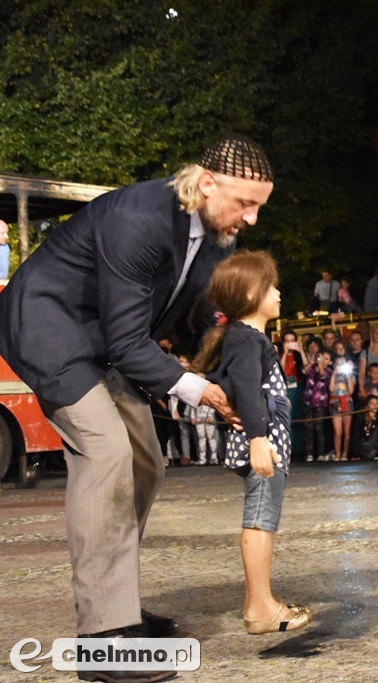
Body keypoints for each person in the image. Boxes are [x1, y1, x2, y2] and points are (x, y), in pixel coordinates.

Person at [0, 136, 271, 672]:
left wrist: (227, 373)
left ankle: (117, 604)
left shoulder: (213, 236)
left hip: (102, 336)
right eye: (246, 203)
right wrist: (195, 389)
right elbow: (127, 341)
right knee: (105, 454)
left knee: (145, 461)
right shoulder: (139, 219)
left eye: (260, 205)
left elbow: (186, 316)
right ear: (208, 183)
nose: (253, 218)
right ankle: (103, 637)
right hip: (47, 327)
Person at [192, 251, 312, 636]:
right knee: (260, 518)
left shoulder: (250, 337)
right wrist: (259, 439)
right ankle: (260, 606)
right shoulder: (246, 339)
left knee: (265, 517)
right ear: (249, 294)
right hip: (262, 447)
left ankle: (261, 601)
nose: (278, 292)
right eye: (271, 285)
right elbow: (245, 387)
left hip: (267, 445)